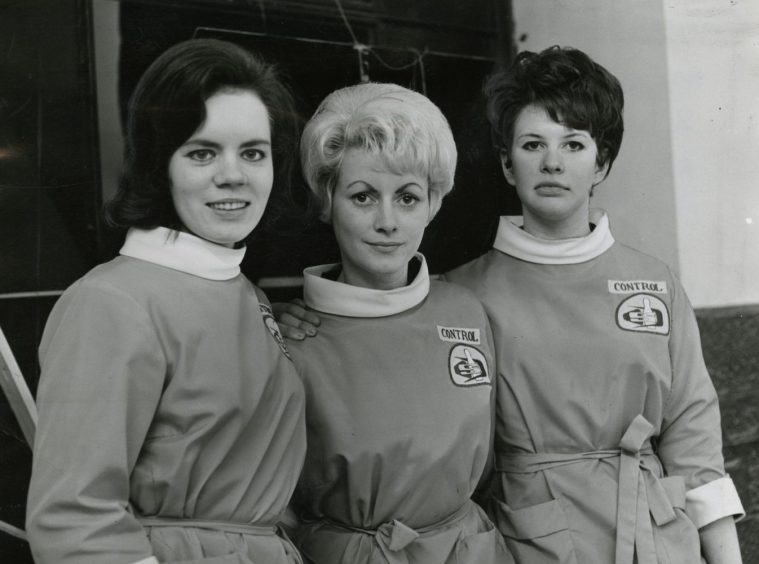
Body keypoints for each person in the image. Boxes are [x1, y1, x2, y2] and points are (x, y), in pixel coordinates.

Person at [277, 47, 745, 564]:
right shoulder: (462, 298)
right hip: (535, 542)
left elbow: (695, 443)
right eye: (532, 144)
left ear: (602, 162)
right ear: (505, 161)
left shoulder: (654, 282)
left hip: (658, 538)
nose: (552, 162)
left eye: (573, 143)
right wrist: (303, 320)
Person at [26, 38, 306, 564]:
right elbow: (74, 524)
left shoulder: (246, 294)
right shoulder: (110, 303)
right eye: (202, 152)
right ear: (160, 165)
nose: (233, 174)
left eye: (253, 152)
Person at [282, 82, 512, 564]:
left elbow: (490, 463)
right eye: (363, 197)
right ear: (327, 201)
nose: (387, 221)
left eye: (407, 198)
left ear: (434, 202)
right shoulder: (293, 339)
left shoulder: (465, 313)